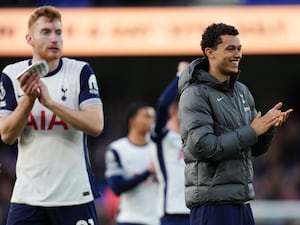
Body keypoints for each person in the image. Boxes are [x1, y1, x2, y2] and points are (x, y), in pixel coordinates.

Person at [178, 23, 293, 225]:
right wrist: (252, 130)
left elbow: (254, 148)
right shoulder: (194, 94)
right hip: (213, 205)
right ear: (210, 53)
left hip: (241, 201)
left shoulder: (241, 91)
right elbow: (203, 147)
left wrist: (268, 128)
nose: (237, 54)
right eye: (230, 48)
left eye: (239, 49)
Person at [0, 6, 104, 225]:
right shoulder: (11, 75)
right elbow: (7, 134)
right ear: (29, 38)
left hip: (74, 195)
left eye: (58, 32)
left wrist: (50, 103)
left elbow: (96, 125)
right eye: (46, 32)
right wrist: (28, 99)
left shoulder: (80, 71)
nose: (54, 38)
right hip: (28, 197)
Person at [105, 102, 159, 225]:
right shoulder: (117, 149)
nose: (152, 121)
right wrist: (147, 172)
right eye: (146, 116)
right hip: (130, 219)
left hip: (156, 220)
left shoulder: (158, 149)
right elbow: (116, 187)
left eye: (153, 117)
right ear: (133, 121)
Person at [150, 62, 190, 225]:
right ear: (173, 111)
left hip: (198, 208)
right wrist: (180, 76)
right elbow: (162, 104)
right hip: (173, 211)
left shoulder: (195, 138)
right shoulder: (162, 136)